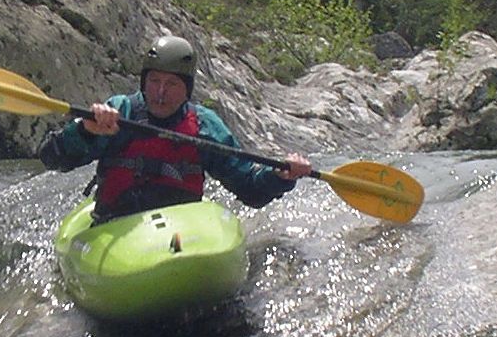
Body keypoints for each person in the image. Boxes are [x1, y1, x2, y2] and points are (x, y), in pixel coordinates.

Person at [37, 35, 313, 221]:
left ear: (187, 89)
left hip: (180, 234)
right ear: (144, 82)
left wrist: (280, 177)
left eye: (171, 84)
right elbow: (52, 158)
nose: (160, 92)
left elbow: (249, 189)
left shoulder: (204, 125)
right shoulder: (120, 112)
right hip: (116, 223)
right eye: (154, 81)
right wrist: (86, 131)